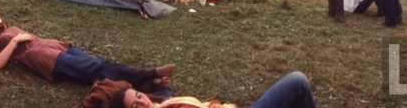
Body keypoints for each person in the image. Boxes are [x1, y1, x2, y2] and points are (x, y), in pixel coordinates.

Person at [0, 5, 175, 92]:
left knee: (98, 69)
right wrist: (14, 41)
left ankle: (146, 85)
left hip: (54, 46)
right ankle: (148, 75)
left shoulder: (0, 28)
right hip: (46, 59)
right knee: (96, 67)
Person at [110, 71, 315, 108]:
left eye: (139, 97)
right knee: (297, 81)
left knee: (297, 84)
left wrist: (215, 105)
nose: (143, 103)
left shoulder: (163, 103)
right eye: (136, 107)